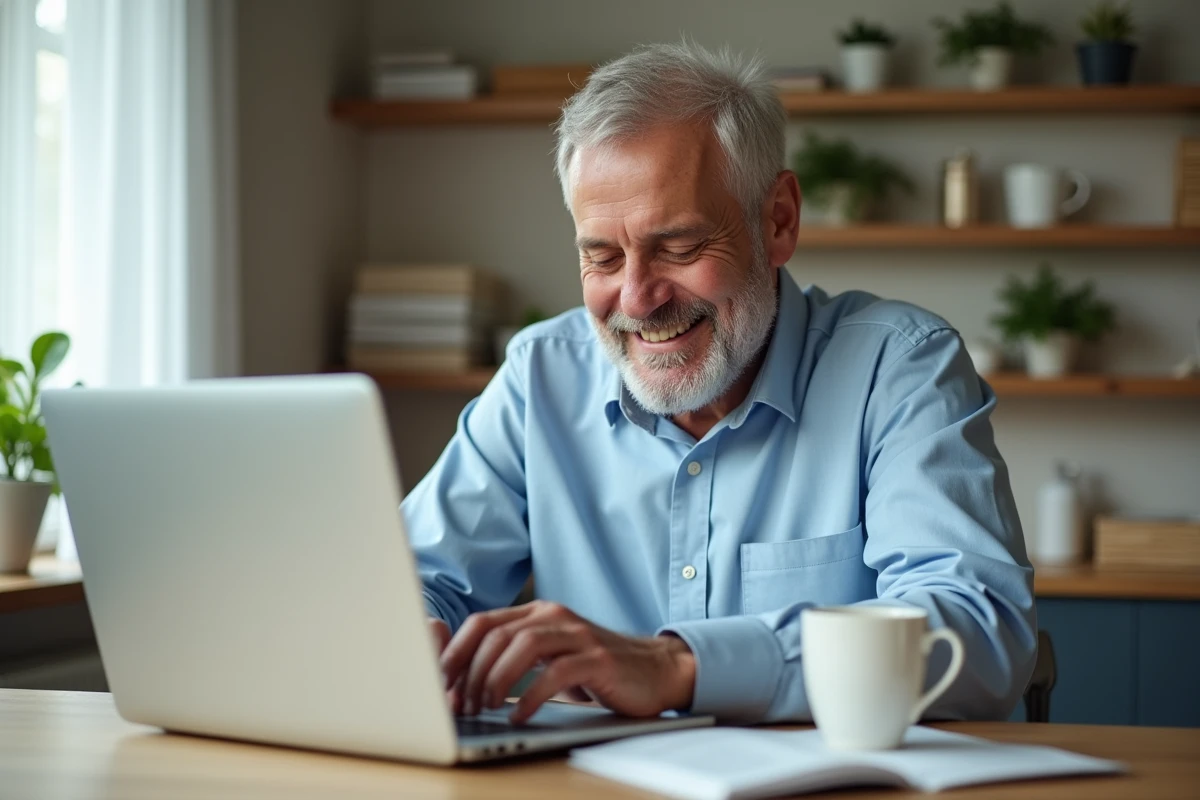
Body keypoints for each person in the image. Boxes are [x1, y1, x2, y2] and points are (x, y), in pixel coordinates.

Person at [403, 41, 1036, 725]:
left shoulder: (900, 368)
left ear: (779, 222)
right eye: (603, 257)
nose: (637, 299)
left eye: (678, 248)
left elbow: (975, 630)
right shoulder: (541, 374)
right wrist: (405, 631)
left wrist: (679, 668)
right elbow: (419, 575)